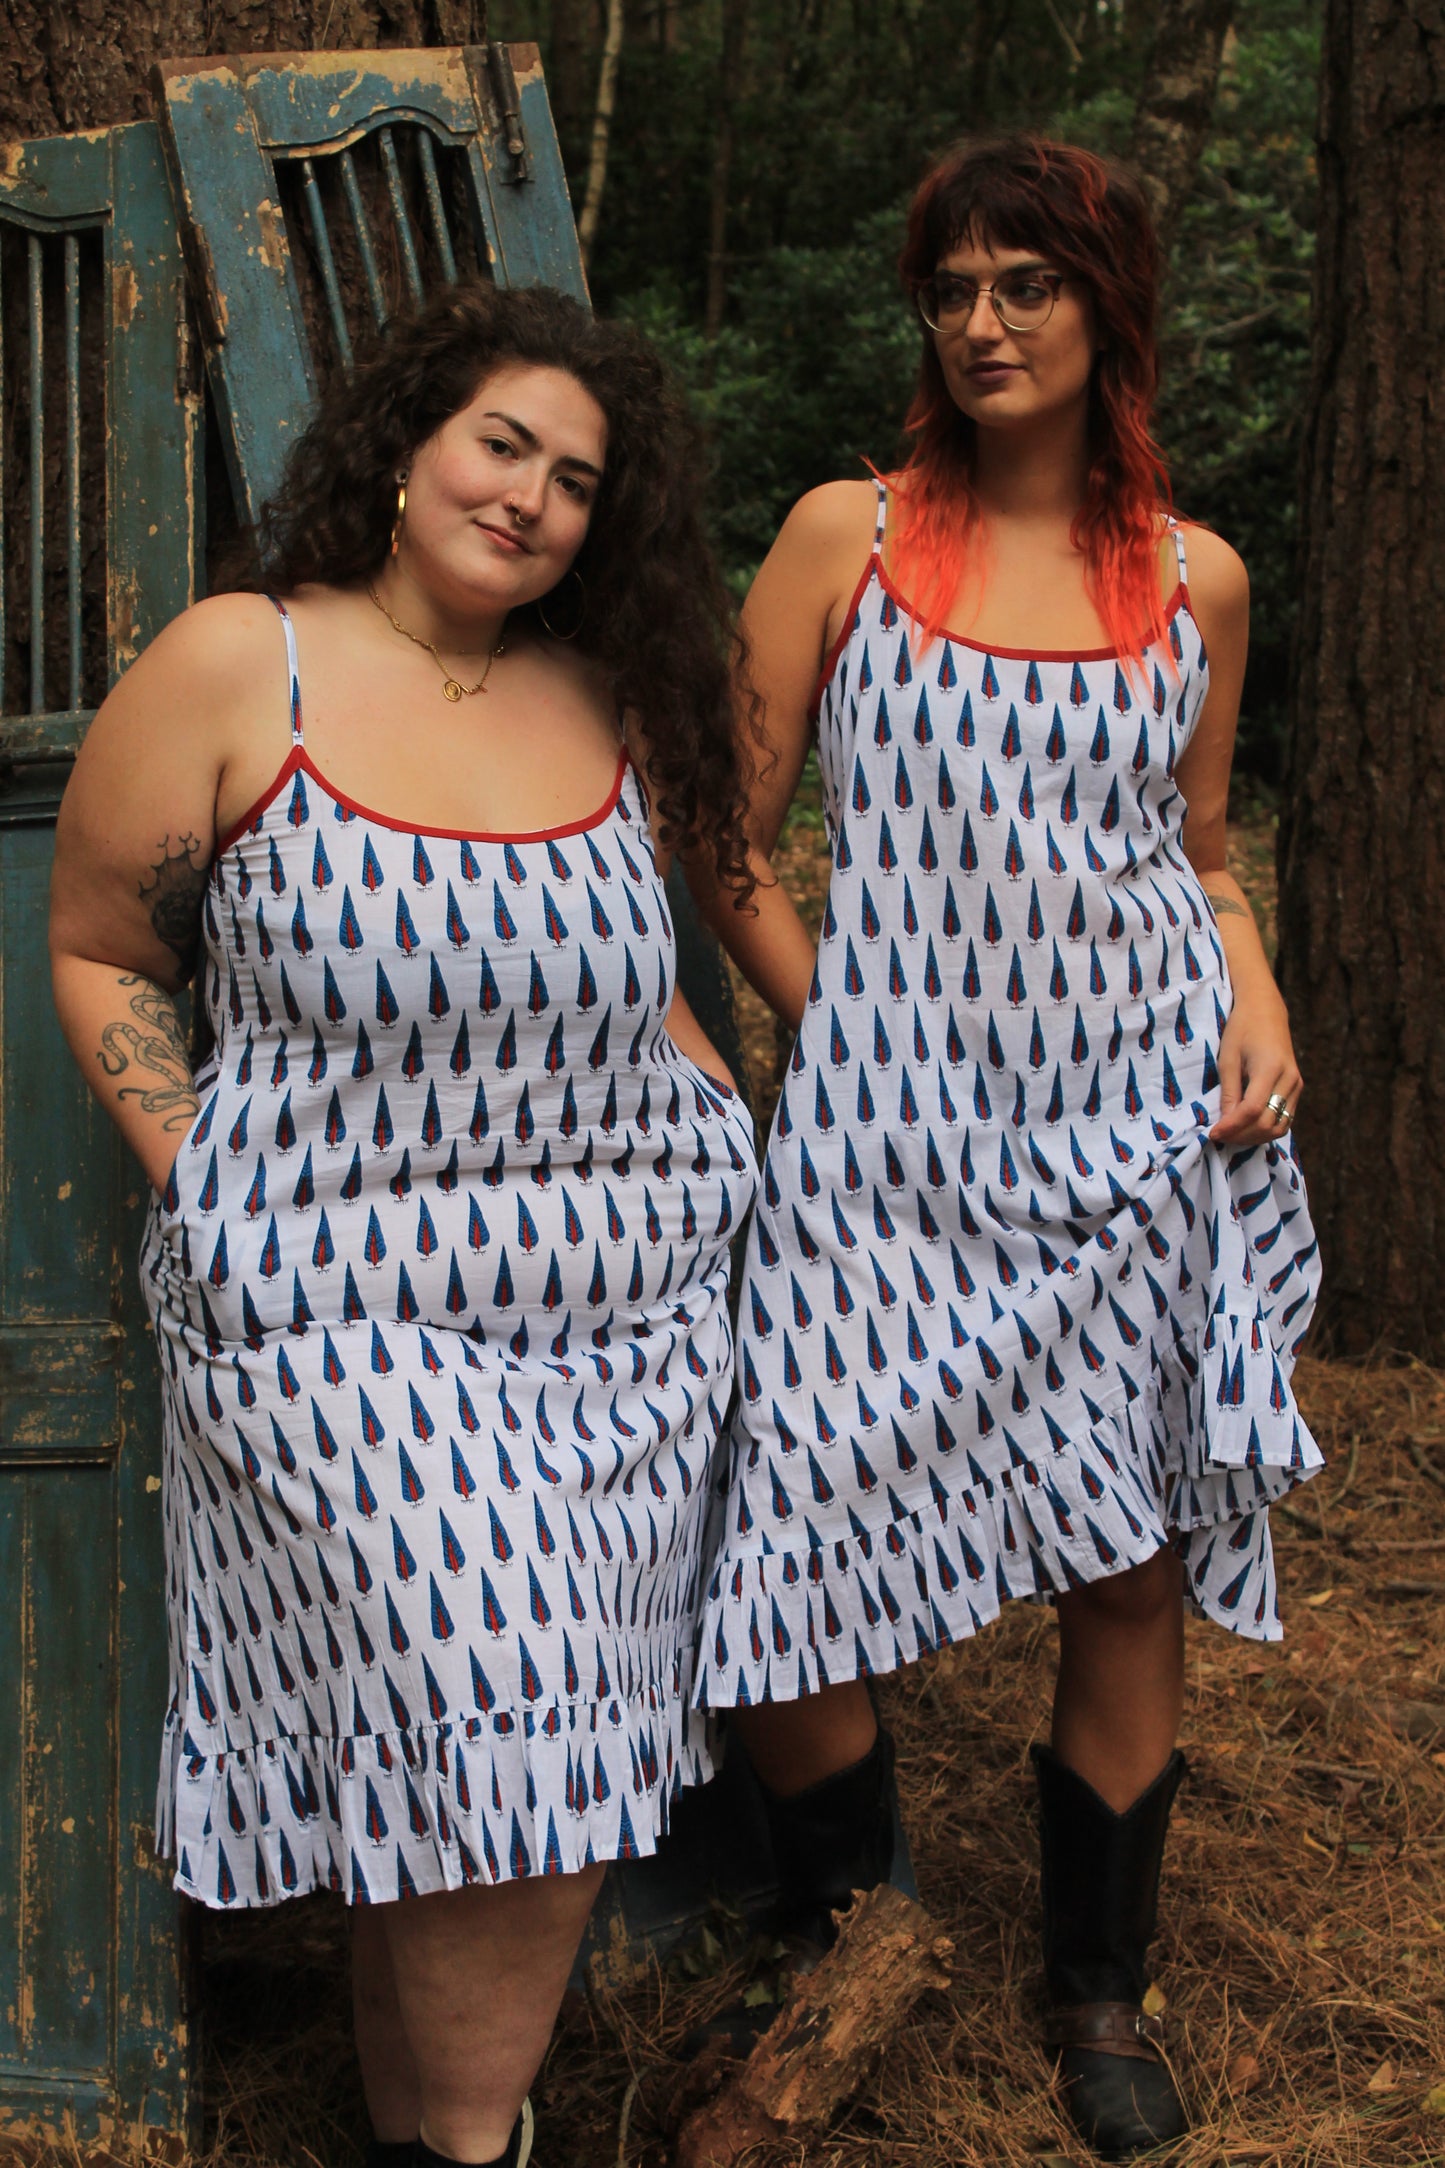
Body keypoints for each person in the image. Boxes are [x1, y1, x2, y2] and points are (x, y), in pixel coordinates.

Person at [49, 282, 759, 2168]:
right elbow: (101, 943)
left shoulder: (605, 702)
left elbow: (644, 992)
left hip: (630, 1315)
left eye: (577, 481)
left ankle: (433, 2137)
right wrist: (198, 1173)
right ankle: (472, 2149)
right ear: (412, 442)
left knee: (509, 1735)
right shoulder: (241, 664)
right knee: (496, 1673)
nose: (529, 498)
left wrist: (735, 1138)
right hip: (337, 1308)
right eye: (501, 443)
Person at [690, 135, 1322, 2161]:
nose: (979, 321)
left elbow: (1200, 851)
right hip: (883, 1146)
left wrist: (1262, 988)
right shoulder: (841, 538)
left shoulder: (1196, 575)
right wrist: (831, 1010)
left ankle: (1097, 1986)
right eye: (953, 289)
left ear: (1105, 306)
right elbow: (720, 826)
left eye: (1024, 286)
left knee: (1124, 1565)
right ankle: (843, 1925)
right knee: (780, 1536)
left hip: (1130, 1135)